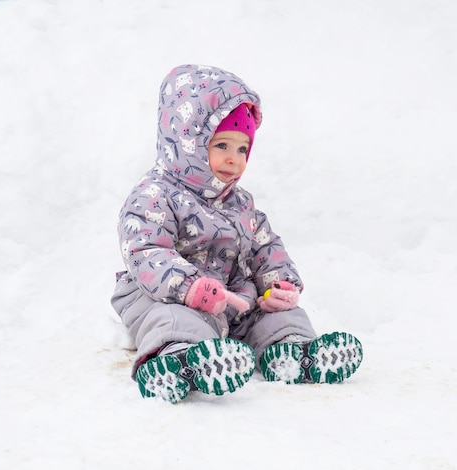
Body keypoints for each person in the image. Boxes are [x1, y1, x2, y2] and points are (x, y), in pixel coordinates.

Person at [111, 64, 363, 404]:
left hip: (231, 299)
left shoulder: (240, 202)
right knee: (175, 318)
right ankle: (178, 360)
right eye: (222, 146)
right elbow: (146, 251)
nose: (234, 159)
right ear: (189, 142)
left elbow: (265, 245)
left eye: (242, 149)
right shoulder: (154, 194)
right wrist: (191, 288)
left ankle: (294, 352)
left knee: (276, 314)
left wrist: (279, 285)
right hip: (165, 293)